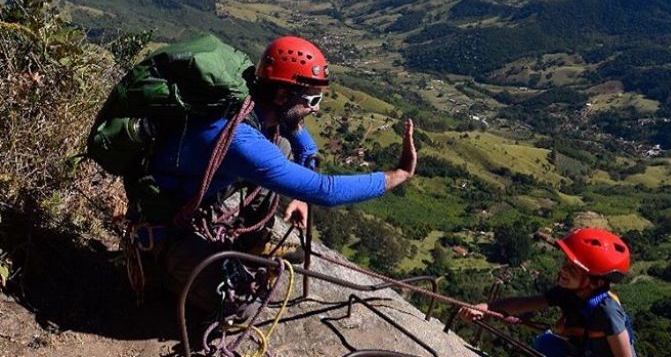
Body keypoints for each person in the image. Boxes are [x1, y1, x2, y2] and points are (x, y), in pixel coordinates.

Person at [134, 35, 417, 311]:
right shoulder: (241, 140)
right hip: (167, 222)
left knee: (280, 146)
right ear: (282, 95)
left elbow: (302, 143)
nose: (314, 110)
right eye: (312, 100)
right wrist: (399, 173)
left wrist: (302, 195)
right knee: (239, 304)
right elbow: (326, 190)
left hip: (191, 195)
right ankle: (161, 270)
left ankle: (251, 240)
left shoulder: (255, 103)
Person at [458, 228, 635, 357]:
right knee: (544, 342)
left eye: (573, 269)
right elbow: (522, 304)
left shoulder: (608, 312)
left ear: (596, 282)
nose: (564, 270)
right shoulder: (568, 293)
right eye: (565, 263)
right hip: (580, 349)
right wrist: (485, 308)